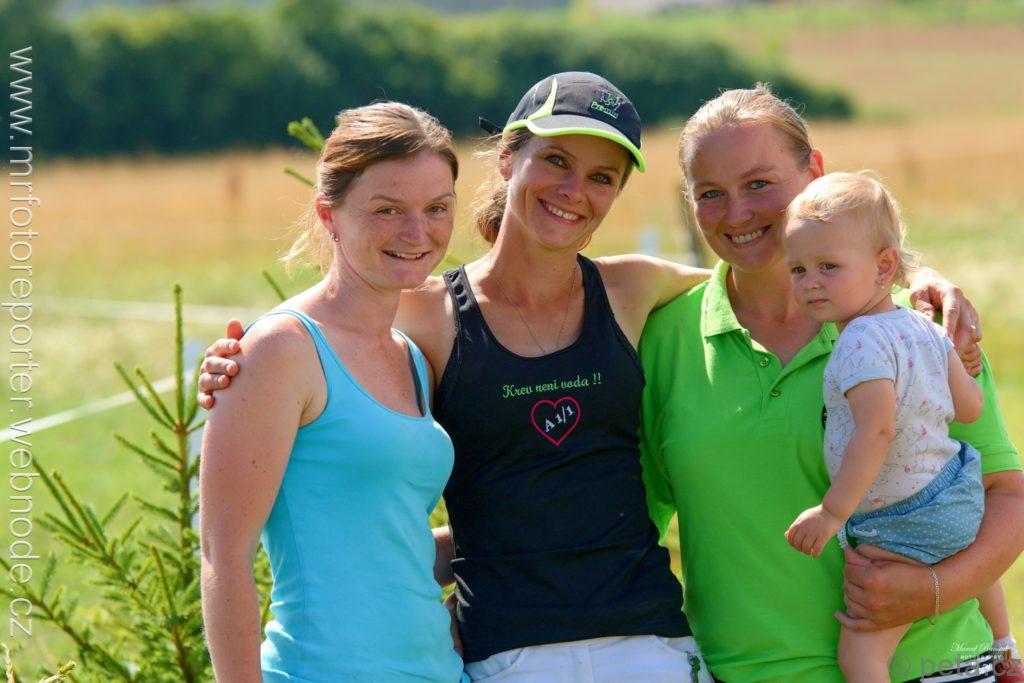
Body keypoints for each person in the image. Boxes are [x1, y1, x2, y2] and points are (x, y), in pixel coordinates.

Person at [198, 75, 982, 682]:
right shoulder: (422, 317)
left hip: (650, 645)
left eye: (603, 176)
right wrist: (239, 356)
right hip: (504, 656)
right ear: (508, 160)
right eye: (557, 162)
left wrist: (915, 283)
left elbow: (764, 270)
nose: (575, 191)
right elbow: (326, 329)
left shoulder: (634, 290)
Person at [639, 85, 1023, 682]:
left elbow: (1005, 494)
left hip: (936, 668)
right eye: (710, 193)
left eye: (759, 183)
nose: (737, 214)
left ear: (814, 172)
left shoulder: (920, 324)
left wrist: (934, 589)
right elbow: (629, 525)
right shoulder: (662, 341)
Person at [199, 102, 467, 682]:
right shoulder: (281, 350)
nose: (416, 232)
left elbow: (383, 548)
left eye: (436, 208)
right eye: (387, 209)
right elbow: (224, 557)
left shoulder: (412, 357)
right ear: (329, 214)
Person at [780, 171, 990, 681]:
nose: (810, 282)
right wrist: (958, 366)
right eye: (798, 268)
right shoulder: (923, 325)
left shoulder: (857, 341)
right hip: (958, 495)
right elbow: (971, 409)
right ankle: (1002, 642)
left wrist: (832, 513)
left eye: (828, 266)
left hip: (903, 520)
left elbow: (876, 431)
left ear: (884, 266)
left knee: (860, 654)